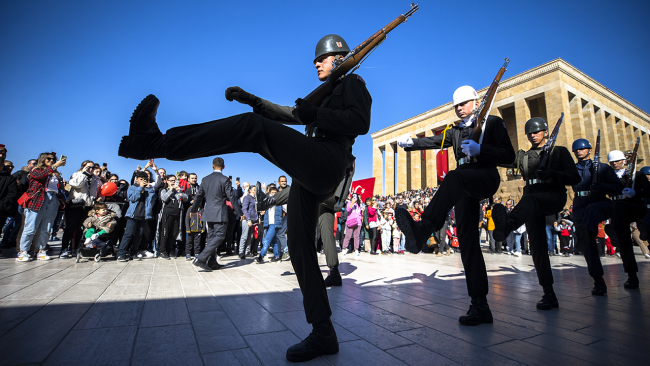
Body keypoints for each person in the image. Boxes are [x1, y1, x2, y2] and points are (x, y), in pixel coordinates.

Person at [117, 33, 371, 362]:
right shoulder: (324, 93)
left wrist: (315, 115)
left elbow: (360, 122)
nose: (316, 63)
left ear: (339, 58)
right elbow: (289, 113)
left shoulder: (353, 83)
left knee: (252, 129)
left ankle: (152, 144)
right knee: (299, 248)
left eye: (321, 58)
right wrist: (251, 98)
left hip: (327, 161)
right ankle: (323, 331)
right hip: (310, 169)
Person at [395, 85, 515, 326]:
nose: (459, 109)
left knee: (453, 176)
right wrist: (411, 143)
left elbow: (509, 156)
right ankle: (480, 305)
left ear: (475, 102)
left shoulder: (491, 123)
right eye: (456, 105)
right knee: (469, 243)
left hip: (484, 176)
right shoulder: (455, 131)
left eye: (463, 104)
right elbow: (435, 140)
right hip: (463, 184)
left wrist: (482, 150)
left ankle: (423, 228)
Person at [491, 117, 580, 309]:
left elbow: (574, 177)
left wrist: (553, 174)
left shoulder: (559, 152)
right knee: (538, 248)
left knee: (528, 201)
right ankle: (548, 293)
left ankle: (507, 225)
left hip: (552, 196)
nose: (533, 135)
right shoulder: (523, 156)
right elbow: (504, 159)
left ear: (546, 132)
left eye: (537, 132)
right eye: (530, 133)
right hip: (533, 200)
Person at [570, 138, 622, 296]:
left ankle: (591, 231)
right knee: (588, 249)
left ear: (590, 150)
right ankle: (598, 281)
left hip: (599, 203)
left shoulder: (602, 168)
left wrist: (602, 186)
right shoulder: (571, 170)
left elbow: (618, 187)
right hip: (580, 206)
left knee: (591, 214)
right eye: (576, 150)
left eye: (582, 149)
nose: (579, 151)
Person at [603, 149, 649, 289]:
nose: (615, 164)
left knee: (620, 207)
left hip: (634, 207)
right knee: (624, 246)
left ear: (624, 161)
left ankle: (615, 230)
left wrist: (636, 192)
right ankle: (631, 275)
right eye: (612, 162)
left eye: (617, 161)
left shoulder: (637, 175)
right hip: (619, 212)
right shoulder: (608, 176)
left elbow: (648, 191)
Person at [190, 157, 243, 271]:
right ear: (223, 167)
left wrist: (193, 210)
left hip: (209, 212)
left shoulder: (205, 179)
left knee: (212, 237)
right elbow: (231, 197)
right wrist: (239, 212)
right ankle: (201, 258)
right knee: (219, 236)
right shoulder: (225, 180)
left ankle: (212, 261)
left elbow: (198, 196)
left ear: (212, 165)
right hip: (220, 213)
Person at [17, 152, 66, 261]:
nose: (51, 161)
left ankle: (41, 250)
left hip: (53, 198)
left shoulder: (55, 173)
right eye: (48, 159)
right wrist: (53, 167)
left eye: (53, 159)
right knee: (31, 226)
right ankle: (23, 251)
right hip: (39, 198)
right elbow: (39, 176)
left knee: (47, 227)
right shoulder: (36, 170)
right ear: (42, 159)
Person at [61, 160, 101, 258]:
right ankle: (64, 249)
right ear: (83, 167)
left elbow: (99, 191)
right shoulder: (76, 175)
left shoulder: (96, 179)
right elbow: (77, 184)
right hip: (75, 205)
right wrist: (84, 174)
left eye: (93, 168)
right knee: (70, 228)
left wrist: (100, 198)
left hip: (88, 206)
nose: (91, 169)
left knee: (81, 229)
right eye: (88, 167)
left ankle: (76, 248)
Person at [118, 171, 156, 262]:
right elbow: (133, 198)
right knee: (128, 234)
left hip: (144, 216)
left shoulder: (149, 189)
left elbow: (152, 199)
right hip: (133, 215)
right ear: (137, 180)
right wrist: (140, 188)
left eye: (145, 179)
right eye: (141, 179)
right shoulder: (132, 187)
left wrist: (149, 189)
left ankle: (133, 253)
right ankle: (121, 254)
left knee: (139, 235)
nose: (143, 181)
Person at [0, 145, 18, 235]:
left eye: (3, 154)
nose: (1, 155)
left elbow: (11, 193)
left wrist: (3, 204)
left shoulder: (8, 176)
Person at [239, 185, 257, 259]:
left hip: (253, 219)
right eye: (253, 190)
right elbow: (244, 209)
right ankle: (241, 252)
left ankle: (247, 251)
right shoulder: (247, 197)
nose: (255, 191)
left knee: (250, 236)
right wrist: (248, 219)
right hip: (247, 219)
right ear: (249, 190)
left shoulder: (255, 199)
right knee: (244, 236)